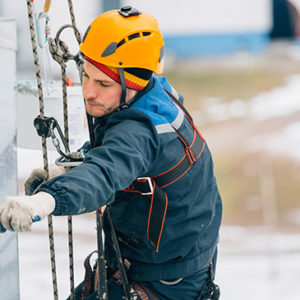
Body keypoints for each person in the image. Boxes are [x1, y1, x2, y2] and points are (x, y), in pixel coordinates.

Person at [0, 6, 222, 300]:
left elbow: (107, 171)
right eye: (86, 76)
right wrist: (69, 170)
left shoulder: (141, 130)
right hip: (165, 264)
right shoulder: (154, 93)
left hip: (164, 283)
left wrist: (47, 199)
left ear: (134, 83)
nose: (88, 92)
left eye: (103, 83)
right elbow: (117, 158)